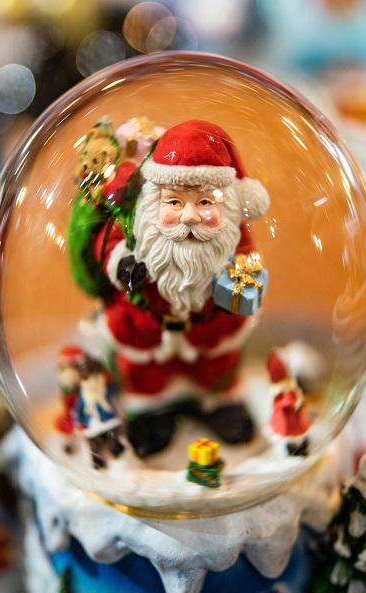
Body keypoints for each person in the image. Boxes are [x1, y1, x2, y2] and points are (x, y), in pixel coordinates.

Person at [94, 120, 270, 457]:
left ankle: (219, 402)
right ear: (154, 201)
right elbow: (108, 241)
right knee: (147, 373)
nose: (189, 216)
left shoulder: (231, 236)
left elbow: (247, 257)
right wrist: (120, 263)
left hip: (209, 328)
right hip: (148, 328)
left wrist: (243, 279)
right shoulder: (138, 226)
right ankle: (151, 410)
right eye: (174, 203)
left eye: (205, 203)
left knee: (216, 366)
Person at [71, 357, 125, 469]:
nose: (92, 384)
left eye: (95, 378)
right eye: (87, 380)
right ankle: (97, 461)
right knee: (94, 446)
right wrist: (79, 424)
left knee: (113, 437)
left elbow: (114, 393)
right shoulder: (82, 399)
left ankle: (117, 452)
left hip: (108, 422)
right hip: (92, 428)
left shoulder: (106, 391)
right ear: (81, 383)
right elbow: (78, 413)